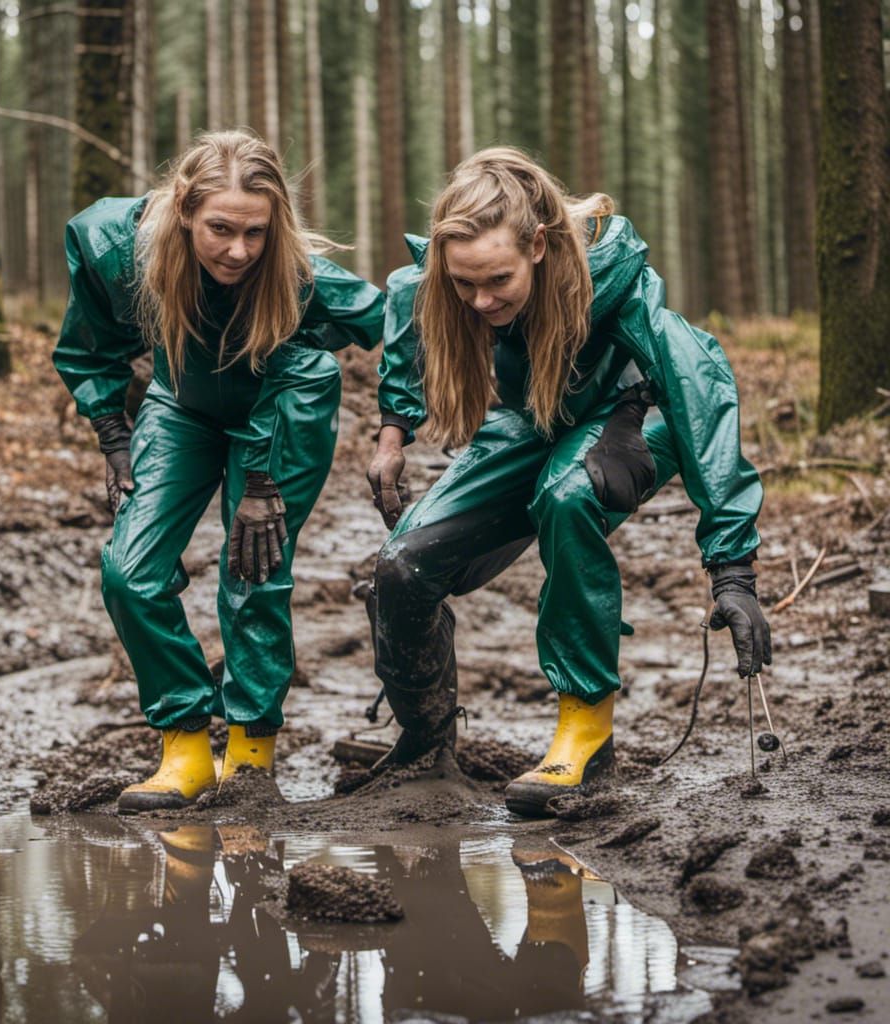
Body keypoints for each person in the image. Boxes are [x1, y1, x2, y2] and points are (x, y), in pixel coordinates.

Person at [366, 147, 770, 817]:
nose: (481, 300)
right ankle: (424, 746)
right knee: (403, 566)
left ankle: (584, 736)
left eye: (497, 280)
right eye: (465, 284)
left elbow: (702, 393)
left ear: (539, 245)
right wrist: (391, 436)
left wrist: (733, 571)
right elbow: (410, 313)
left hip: (632, 417)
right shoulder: (443, 281)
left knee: (565, 496)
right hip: (533, 418)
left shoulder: (617, 282)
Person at [54, 130, 385, 812]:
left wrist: (393, 425)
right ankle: (183, 746)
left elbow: (398, 321)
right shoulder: (120, 249)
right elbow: (88, 345)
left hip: (281, 412)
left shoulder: (298, 273)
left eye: (255, 232)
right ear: (184, 211)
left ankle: (250, 755)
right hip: (182, 406)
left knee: (253, 569)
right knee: (129, 571)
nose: (239, 250)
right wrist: (113, 433)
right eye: (221, 229)